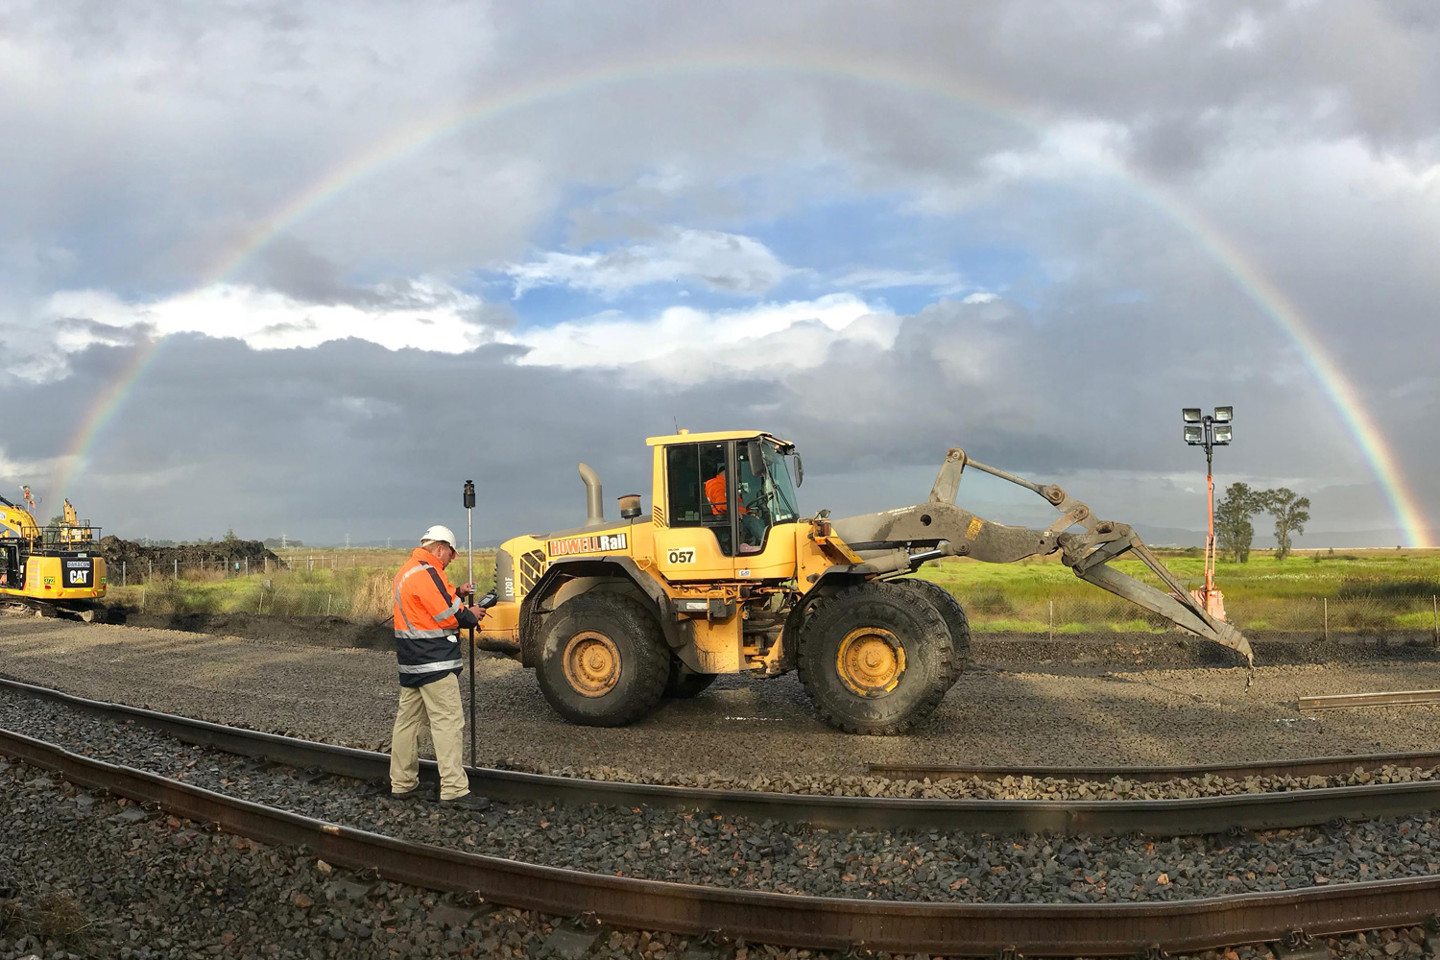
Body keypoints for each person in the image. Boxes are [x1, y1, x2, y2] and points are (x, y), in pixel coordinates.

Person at [389, 524, 490, 810]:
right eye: (451, 554)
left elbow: (436, 600)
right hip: (434, 660)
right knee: (448, 721)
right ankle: (455, 789)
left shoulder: (409, 569)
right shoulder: (427, 572)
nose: (452, 559)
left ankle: (403, 783)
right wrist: (470, 615)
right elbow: (447, 613)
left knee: (408, 722)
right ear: (440, 548)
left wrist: (459, 591)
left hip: (411, 661)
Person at [704, 463, 766, 552]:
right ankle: (765, 541)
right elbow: (721, 504)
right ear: (727, 473)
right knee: (752, 521)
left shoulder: (728, 486)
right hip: (726, 517)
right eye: (736, 475)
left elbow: (740, 507)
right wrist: (735, 512)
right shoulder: (716, 484)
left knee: (755, 518)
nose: (737, 479)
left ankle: (756, 544)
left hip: (736, 515)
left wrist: (749, 512)